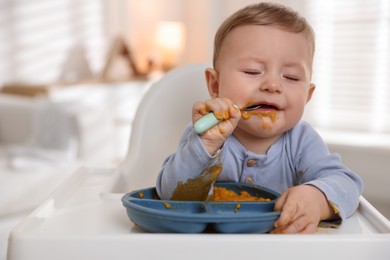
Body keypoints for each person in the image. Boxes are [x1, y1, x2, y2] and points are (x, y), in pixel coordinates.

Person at [156, 2, 363, 234]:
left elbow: (347, 185)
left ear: (307, 95)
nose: (273, 85)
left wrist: (318, 198)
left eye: (292, 77)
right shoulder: (208, 136)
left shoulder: (302, 141)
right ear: (215, 84)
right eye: (252, 71)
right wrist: (205, 147)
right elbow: (169, 195)